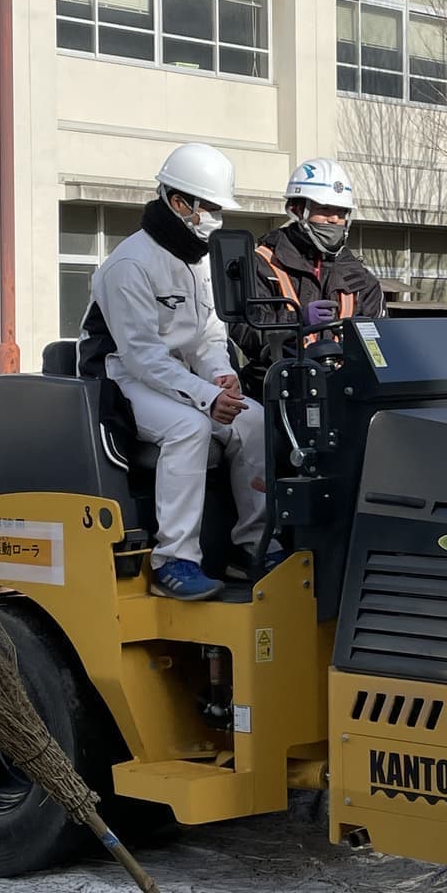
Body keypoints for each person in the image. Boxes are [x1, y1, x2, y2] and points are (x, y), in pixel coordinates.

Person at [78, 143, 281, 601]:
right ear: (178, 202)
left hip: (176, 375)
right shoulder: (129, 264)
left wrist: (221, 375)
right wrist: (206, 398)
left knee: (252, 420)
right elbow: (141, 357)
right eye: (208, 207)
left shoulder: (200, 261)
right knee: (189, 428)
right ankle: (174, 560)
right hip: (120, 380)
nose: (215, 218)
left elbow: (207, 335)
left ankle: (251, 546)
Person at [232, 158, 384, 397]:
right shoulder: (261, 263)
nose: (334, 219)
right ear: (296, 210)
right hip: (276, 392)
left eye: (341, 212)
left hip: (345, 393)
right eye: (324, 209)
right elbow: (245, 331)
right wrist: (297, 320)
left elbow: (379, 342)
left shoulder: (361, 278)